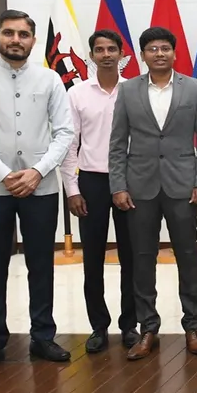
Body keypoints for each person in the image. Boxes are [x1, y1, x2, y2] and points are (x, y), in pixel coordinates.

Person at [0, 10, 75, 374]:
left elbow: (65, 133)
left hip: (40, 186)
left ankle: (42, 336)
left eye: (23, 34)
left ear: (33, 40)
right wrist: (5, 174)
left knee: (41, 264)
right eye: (9, 33)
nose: (16, 40)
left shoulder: (50, 78)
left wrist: (37, 171)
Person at [109, 26, 197, 361]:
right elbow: (116, 144)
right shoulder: (127, 91)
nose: (159, 54)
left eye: (164, 48)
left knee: (187, 254)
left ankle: (193, 325)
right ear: (142, 55)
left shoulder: (194, 88)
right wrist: (119, 185)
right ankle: (147, 327)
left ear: (174, 52)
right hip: (139, 187)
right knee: (142, 257)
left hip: (182, 185)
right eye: (152, 49)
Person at [60, 29, 140, 354]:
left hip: (130, 181)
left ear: (122, 55)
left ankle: (130, 325)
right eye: (99, 50)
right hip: (90, 182)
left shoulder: (135, 92)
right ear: (91, 55)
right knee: (92, 259)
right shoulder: (77, 94)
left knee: (132, 258)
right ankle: (98, 326)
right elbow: (69, 144)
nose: (106, 54)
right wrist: (71, 189)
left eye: (112, 49)